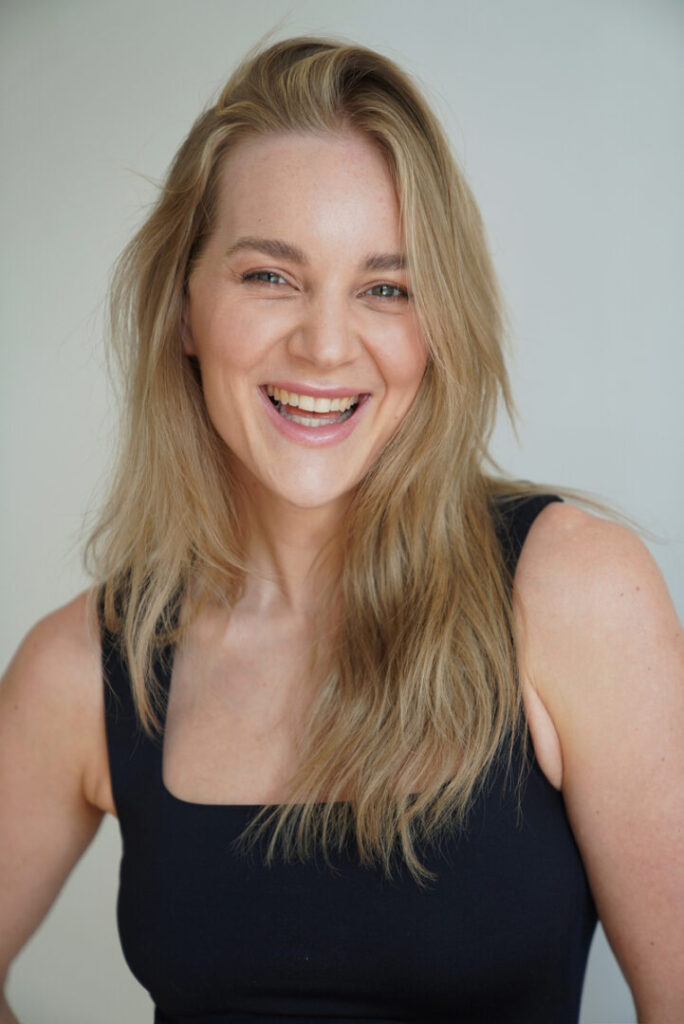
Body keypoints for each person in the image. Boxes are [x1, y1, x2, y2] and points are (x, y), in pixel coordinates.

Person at [0, 35, 682, 1024]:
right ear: (185, 307)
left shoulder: (573, 593)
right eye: (269, 277)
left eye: (386, 288)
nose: (325, 345)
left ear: (439, 326)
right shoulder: (86, 668)